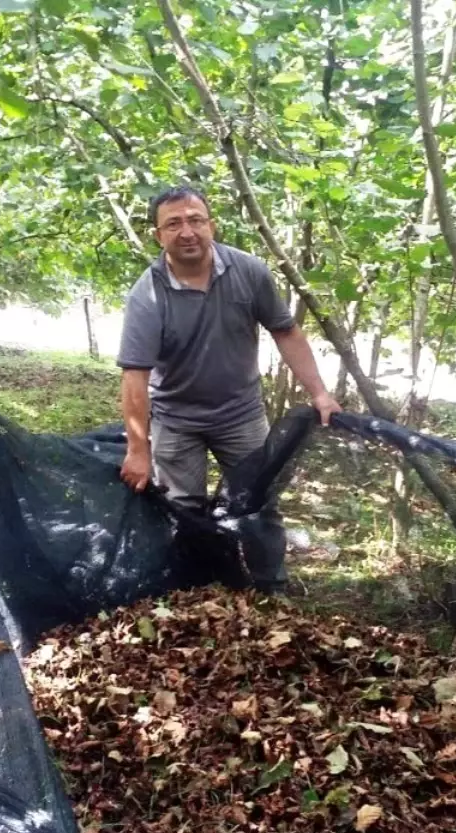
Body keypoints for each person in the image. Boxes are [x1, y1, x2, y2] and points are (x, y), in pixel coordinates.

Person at [116, 185, 341, 589]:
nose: (187, 231)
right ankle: (189, 590)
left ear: (211, 225)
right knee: (180, 509)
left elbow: (286, 332)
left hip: (241, 414)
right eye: (173, 224)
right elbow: (135, 375)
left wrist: (319, 393)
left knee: (259, 504)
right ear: (158, 235)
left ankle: (270, 587)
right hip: (176, 419)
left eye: (195, 220)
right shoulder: (146, 295)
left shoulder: (249, 272)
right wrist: (138, 449)